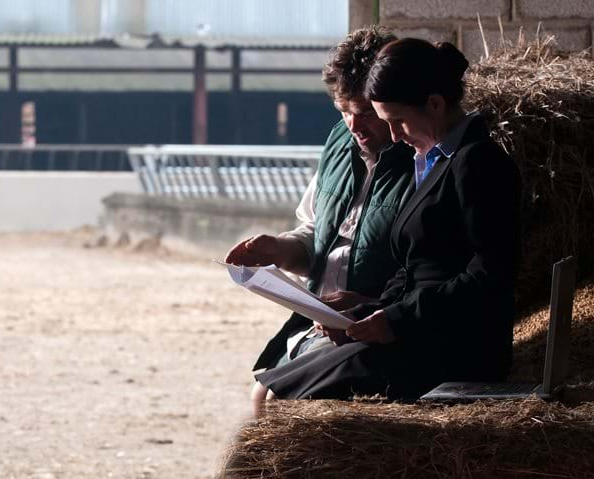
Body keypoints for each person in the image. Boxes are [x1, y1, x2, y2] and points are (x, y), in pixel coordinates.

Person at [249, 38, 522, 412]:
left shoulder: (478, 163)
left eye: (397, 121)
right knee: (267, 388)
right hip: (421, 331)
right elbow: (416, 268)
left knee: (276, 395)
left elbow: (491, 274)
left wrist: (397, 318)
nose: (395, 136)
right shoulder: (434, 161)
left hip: (454, 345)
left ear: (435, 105)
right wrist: (368, 308)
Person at [222, 27, 417, 418]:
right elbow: (316, 236)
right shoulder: (337, 146)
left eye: (365, 113)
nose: (354, 126)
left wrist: (372, 307)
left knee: (270, 401)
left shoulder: (422, 161)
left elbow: (428, 269)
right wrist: (277, 250)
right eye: (343, 111)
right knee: (261, 396)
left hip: (370, 325)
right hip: (318, 321)